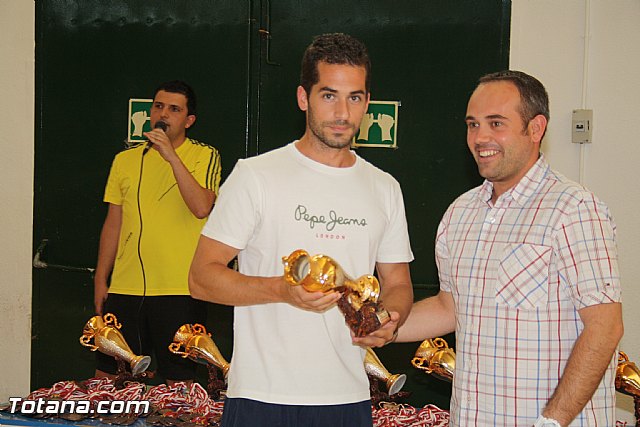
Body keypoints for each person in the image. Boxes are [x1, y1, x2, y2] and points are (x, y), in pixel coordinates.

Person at [189, 33, 414, 426]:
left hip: (348, 397)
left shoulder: (384, 188)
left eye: (355, 97)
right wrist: (281, 290)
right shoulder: (255, 176)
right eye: (329, 96)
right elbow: (201, 278)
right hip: (262, 396)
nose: (343, 112)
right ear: (302, 98)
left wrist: (388, 319)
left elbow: (398, 283)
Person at [395, 70, 623, 427]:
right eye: (472, 124)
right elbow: (449, 307)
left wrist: (552, 421)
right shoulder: (460, 213)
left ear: (536, 129)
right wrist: (381, 325)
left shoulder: (574, 208)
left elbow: (604, 328)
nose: (480, 137)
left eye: (496, 123)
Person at [93, 80, 222, 385]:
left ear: (189, 120)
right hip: (126, 287)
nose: (163, 114)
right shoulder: (124, 161)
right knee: (109, 377)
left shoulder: (205, 155)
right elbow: (113, 222)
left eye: (174, 109)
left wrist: (171, 156)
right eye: (158, 106)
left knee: (181, 383)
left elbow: (202, 207)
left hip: (179, 288)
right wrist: (101, 278)